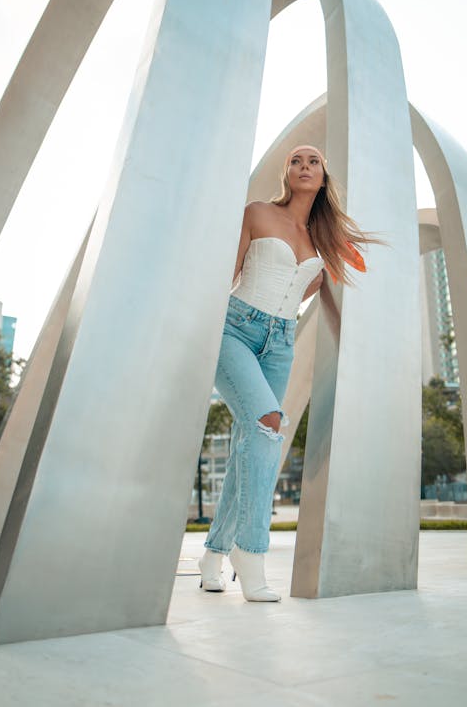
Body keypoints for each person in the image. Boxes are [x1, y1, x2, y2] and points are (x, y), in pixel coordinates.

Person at [199, 145, 383, 602]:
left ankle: (213, 555)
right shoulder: (257, 213)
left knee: (253, 443)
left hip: (279, 344)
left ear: (323, 178)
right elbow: (227, 273)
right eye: (296, 161)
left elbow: (321, 298)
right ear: (287, 173)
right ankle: (251, 551)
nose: (304, 167)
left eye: (313, 162)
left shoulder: (324, 239)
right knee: (267, 424)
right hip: (234, 330)